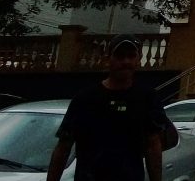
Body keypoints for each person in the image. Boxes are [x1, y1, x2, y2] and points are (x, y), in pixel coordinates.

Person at [47, 34, 167, 181]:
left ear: (138, 59)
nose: (125, 61)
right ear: (107, 58)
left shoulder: (147, 98)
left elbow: (153, 146)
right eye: (119, 56)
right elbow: (63, 147)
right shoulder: (85, 99)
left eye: (131, 56)